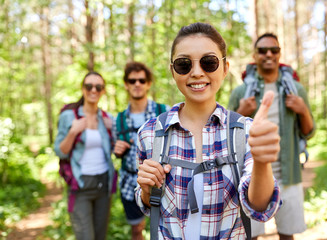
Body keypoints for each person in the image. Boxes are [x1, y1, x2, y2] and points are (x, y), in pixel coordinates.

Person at [134, 22, 282, 240]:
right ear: (173, 71)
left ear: (225, 69)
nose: (196, 73)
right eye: (184, 64)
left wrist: (262, 161)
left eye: (209, 62)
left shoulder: (244, 132)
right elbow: (148, 203)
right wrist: (147, 190)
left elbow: (259, 208)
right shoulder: (151, 134)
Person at [228, 33, 315, 240]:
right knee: (250, 236)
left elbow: (309, 132)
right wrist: (240, 112)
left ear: (279, 54)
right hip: (249, 179)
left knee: (287, 235)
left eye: (273, 50)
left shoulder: (295, 91)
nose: (268, 54)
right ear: (255, 55)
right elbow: (225, 137)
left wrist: (302, 110)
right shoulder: (241, 93)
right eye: (262, 50)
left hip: (289, 176)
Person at [54, 71, 116, 240]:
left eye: (98, 87)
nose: (93, 90)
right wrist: (73, 132)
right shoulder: (69, 116)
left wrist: (113, 129)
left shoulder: (106, 118)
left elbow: (116, 150)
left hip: (103, 184)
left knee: (100, 236)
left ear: (103, 91)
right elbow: (59, 151)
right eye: (89, 86)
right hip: (80, 186)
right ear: (82, 89)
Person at [113, 61, 169, 240]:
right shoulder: (119, 119)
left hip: (160, 181)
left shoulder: (163, 112)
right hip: (129, 183)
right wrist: (117, 150)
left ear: (148, 84)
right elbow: (115, 150)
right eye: (132, 80)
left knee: (162, 229)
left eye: (142, 80)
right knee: (136, 230)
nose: (137, 84)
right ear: (126, 85)